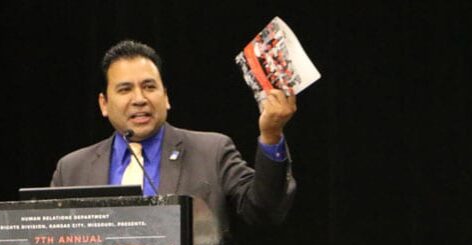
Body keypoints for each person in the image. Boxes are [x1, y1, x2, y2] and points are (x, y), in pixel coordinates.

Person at [51, 39, 296, 226]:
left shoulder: (211, 152)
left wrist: (271, 135)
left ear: (166, 97)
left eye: (149, 87)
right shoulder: (72, 169)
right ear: (104, 104)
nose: (140, 99)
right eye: (125, 90)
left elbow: (265, 210)